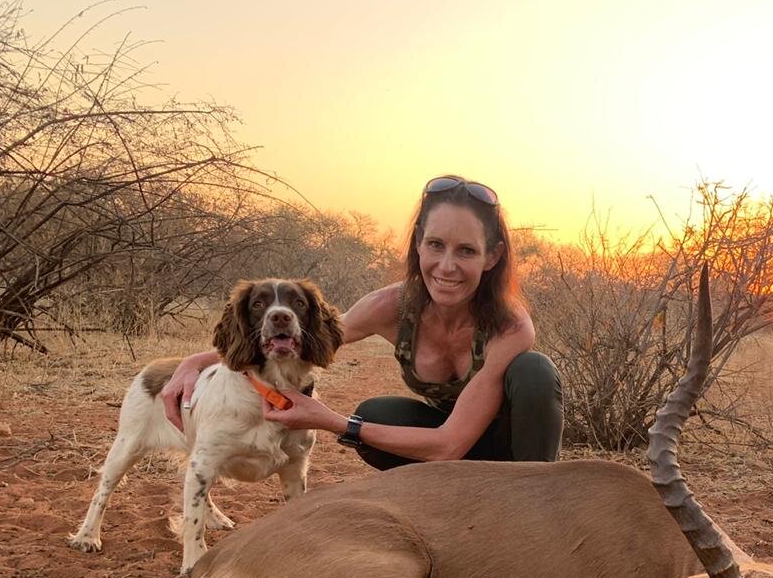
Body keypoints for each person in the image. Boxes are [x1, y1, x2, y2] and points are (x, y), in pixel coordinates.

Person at [161, 175, 563, 469]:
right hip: (450, 450)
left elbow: (450, 443)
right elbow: (300, 338)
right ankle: (452, 495)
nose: (447, 266)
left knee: (535, 371)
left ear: (491, 257)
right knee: (374, 413)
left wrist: (330, 421)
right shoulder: (389, 305)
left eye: (467, 251)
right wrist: (193, 364)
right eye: (436, 245)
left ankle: (537, 495)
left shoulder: (511, 326)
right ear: (419, 242)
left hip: (503, 450)